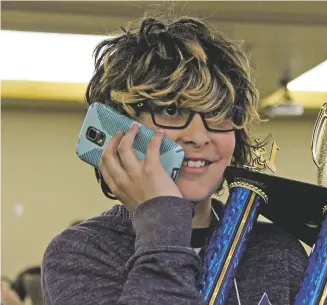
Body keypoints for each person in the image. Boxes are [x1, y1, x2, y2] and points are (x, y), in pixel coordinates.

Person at [42, 14, 308, 305]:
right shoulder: (82, 253)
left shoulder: (277, 252)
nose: (198, 135)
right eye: (171, 111)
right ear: (121, 127)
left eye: (218, 114)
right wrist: (162, 221)